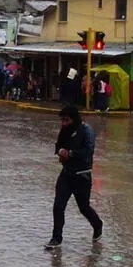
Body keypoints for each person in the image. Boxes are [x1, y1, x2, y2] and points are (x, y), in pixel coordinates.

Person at [45, 106, 103, 249]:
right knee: (58, 206)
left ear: (74, 119)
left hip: (82, 176)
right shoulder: (64, 131)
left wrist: (70, 154)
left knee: (83, 208)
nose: (64, 123)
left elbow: (88, 151)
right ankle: (56, 238)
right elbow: (58, 145)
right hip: (66, 174)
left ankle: (97, 224)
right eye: (62, 120)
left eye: (67, 120)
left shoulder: (86, 131)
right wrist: (60, 151)